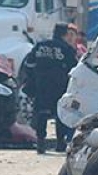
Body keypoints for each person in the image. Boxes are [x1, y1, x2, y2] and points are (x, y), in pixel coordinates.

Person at [23, 23, 79, 154]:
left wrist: (33, 78)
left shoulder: (40, 46)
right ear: (65, 34)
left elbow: (29, 64)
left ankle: (40, 143)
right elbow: (75, 69)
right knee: (60, 115)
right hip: (60, 87)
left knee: (42, 113)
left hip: (41, 86)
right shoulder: (66, 49)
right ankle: (60, 143)